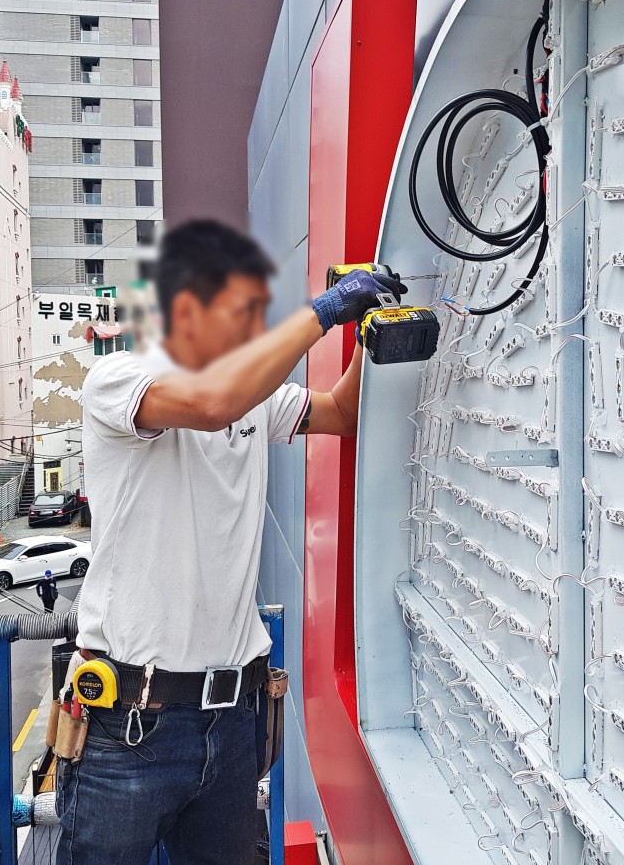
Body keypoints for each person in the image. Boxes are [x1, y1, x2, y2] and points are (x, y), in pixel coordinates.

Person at [56, 220, 404, 865]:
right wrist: (327, 310)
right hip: (131, 722)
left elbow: (343, 414)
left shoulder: (256, 398)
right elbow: (210, 405)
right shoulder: (117, 381)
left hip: (231, 717)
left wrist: (369, 329)